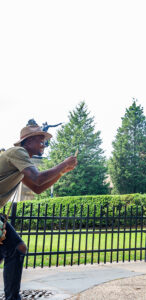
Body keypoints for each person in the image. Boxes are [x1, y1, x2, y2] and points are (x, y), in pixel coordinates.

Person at [0, 123, 77, 300]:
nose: (44, 144)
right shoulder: (17, 152)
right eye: (40, 140)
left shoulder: (21, 160)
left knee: (11, 249)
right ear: (27, 141)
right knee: (17, 247)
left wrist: (61, 172)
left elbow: (37, 187)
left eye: (44, 141)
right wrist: (62, 164)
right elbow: (37, 178)